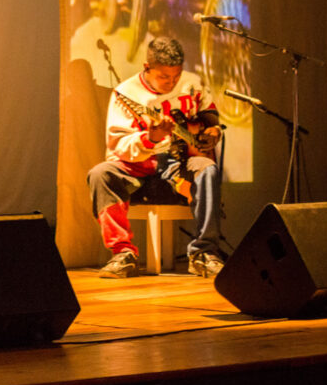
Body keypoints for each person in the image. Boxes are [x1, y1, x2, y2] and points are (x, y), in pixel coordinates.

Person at [86, 36, 224, 279]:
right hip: (137, 166)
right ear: (146, 68)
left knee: (208, 168)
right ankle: (122, 254)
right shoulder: (125, 94)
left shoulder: (192, 83)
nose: (171, 83)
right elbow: (118, 144)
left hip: (178, 163)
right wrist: (150, 138)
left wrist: (214, 131)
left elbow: (209, 114)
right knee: (100, 174)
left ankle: (203, 253)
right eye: (163, 77)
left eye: (176, 76)